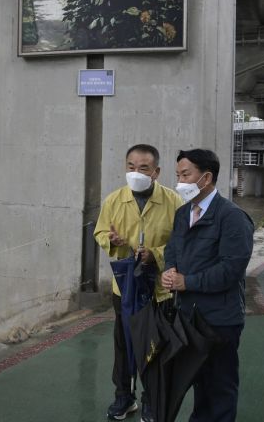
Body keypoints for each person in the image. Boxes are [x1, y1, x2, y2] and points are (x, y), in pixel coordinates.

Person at [162, 149, 254, 422]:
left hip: (220, 320)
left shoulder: (233, 217)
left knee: (219, 387)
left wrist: (186, 281)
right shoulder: (183, 214)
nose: (180, 181)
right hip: (189, 316)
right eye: (178, 174)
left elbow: (231, 269)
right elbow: (172, 248)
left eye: (185, 174)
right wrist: (170, 271)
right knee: (199, 382)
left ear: (206, 177)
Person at [94, 144, 182, 422]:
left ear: (156, 172)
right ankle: (124, 397)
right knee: (124, 345)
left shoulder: (173, 202)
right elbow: (99, 232)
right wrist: (112, 241)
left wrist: (154, 254)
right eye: (131, 166)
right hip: (126, 289)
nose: (136, 172)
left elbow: (182, 244)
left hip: (160, 290)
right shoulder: (113, 200)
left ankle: (151, 401)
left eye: (143, 168)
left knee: (156, 347)